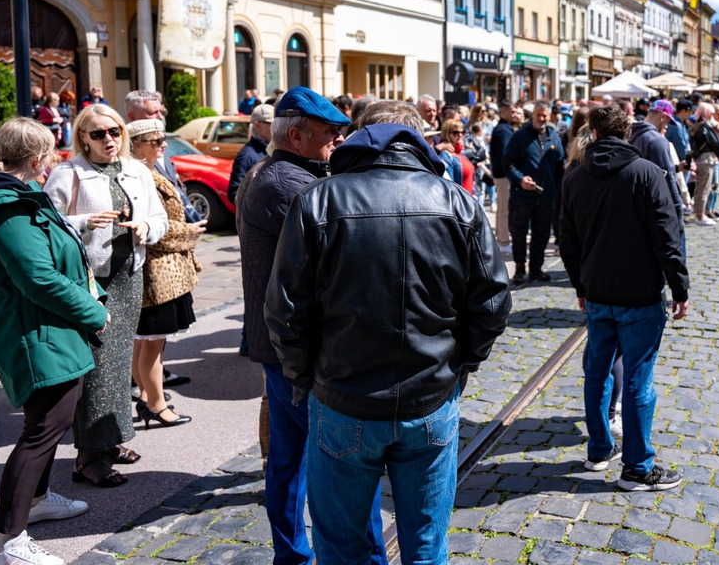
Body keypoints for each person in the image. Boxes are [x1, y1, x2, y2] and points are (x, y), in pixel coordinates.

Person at [266, 100, 511, 564]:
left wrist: (305, 379)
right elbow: (493, 301)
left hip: (343, 398)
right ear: (419, 138)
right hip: (428, 397)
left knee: (342, 549)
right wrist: (460, 365)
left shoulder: (320, 200)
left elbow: (284, 312)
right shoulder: (455, 200)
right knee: (424, 548)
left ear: (360, 136)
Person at [236, 87, 384, 565]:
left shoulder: (281, 172)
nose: (338, 142)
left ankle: (292, 554)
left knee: (289, 458)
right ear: (296, 135)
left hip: (282, 343)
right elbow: (342, 260)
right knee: (341, 463)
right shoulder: (290, 185)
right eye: (330, 135)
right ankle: (352, 556)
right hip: (302, 347)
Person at [0, 119, 110, 565]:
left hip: (50, 327)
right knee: (42, 431)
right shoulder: (7, 207)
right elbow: (37, 278)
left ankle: (39, 499)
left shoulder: (19, 198)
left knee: (54, 423)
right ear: (39, 159)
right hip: (36, 333)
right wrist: (94, 312)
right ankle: (7, 543)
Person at [559, 103, 689, 491]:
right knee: (637, 378)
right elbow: (668, 238)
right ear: (626, 133)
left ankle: (599, 449)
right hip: (639, 294)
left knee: (597, 372)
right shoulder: (647, 173)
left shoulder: (575, 177)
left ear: (594, 133)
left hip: (598, 292)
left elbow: (568, 242)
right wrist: (680, 287)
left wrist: (579, 287)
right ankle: (636, 467)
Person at [44, 105, 168, 488]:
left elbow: (160, 218)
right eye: (98, 134)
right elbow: (46, 223)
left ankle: (109, 440)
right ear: (83, 136)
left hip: (127, 277)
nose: (109, 140)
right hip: (90, 282)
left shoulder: (136, 170)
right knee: (98, 369)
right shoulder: (68, 173)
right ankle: (87, 458)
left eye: (114, 131)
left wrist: (145, 226)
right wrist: (84, 222)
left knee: (116, 367)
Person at [127, 119, 202, 430]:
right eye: (156, 141)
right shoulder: (140, 175)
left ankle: (148, 394)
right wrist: (191, 231)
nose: (163, 145)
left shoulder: (148, 171)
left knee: (145, 342)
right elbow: (154, 228)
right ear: (137, 146)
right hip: (158, 274)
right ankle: (155, 405)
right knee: (152, 343)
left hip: (162, 273)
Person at [503, 101, 565, 286]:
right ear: (532, 116)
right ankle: (520, 269)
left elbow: (560, 165)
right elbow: (508, 163)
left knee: (542, 233)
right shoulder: (520, 136)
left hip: (545, 196)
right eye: (538, 115)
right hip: (522, 195)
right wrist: (520, 179)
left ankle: (536, 268)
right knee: (519, 233)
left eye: (545, 115)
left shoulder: (554, 137)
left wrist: (557, 189)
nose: (541, 119)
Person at [126, 90, 202, 227]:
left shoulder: (159, 145)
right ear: (131, 116)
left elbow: (175, 183)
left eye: (161, 112)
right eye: (152, 113)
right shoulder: (128, 161)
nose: (159, 117)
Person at [228, 103, 273, 205]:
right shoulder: (247, 155)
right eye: (271, 124)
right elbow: (234, 194)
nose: (275, 129)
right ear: (257, 125)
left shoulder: (269, 150)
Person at [689, 103, 719, 226]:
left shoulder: (698, 125)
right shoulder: (704, 126)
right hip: (706, 159)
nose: (713, 114)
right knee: (704, 188)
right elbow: (715, 143)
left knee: (702, 188)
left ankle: (700, 213)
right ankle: (700, 215)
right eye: (711, 112)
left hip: (703, 158)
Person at [490, 102, 518, 246]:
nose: (514, 115)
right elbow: (506, 155)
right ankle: (503, 241)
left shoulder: (504, 128)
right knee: (504, 209)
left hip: (502, 174)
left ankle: (500, 237)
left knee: (503, 207)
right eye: (512, 112)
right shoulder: (503, 130)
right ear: (504, 111)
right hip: (504, 175)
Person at [439, 117, 476, 194]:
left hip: (470, 200)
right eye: (456, 133)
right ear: (447, 134)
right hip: (460, 202)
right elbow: (450, 186)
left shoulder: (460, 153)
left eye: (462, 132)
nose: (460, 135)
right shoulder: (446, 155)